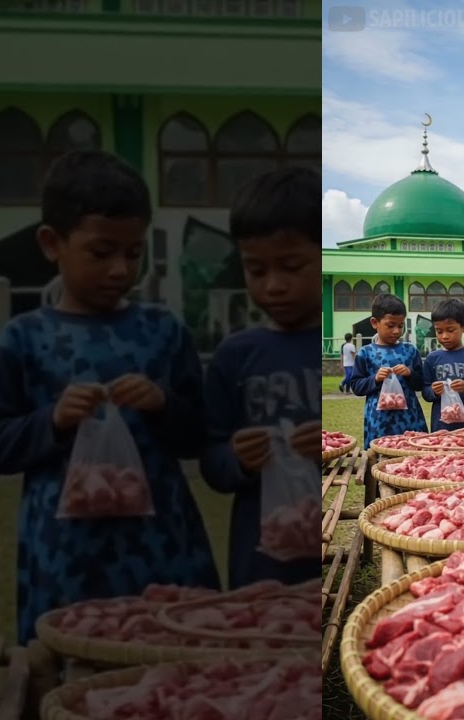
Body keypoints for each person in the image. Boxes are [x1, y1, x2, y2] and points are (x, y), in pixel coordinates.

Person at [0, 150, 220, 644]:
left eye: (133, 253)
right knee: (66, 656)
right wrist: (52, 420)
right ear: (52, 243)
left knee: (175, 653)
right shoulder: (24, 339)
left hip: (160, 542)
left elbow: (199, 433)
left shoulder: (163, 333)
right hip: (65, 550)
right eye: (101, 252)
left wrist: (162, 404)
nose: (119, 270)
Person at [198, 167, 321, 590]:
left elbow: (351, 454)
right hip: (264, 559)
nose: (274, 286)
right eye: (256, 270)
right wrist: (237, 459)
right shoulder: (236, 356)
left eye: (291, 267)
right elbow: (211, 461)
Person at [349, 294, 427, 446]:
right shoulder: (365, 353)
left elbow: (421, 383)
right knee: (378, 456)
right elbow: (356, 386)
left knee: (411, 456)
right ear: (374, 323)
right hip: (379, 421)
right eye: (390, 326)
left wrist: (410, 373)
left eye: (400, 326)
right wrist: (375, 379)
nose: (397, 331)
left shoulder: (410, 351)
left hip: (409, 419)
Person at [421, 298, 464, 432]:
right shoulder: (432, 358)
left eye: (450, 330)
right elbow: (425, 391)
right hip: (441, 426)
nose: (445, 336)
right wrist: (433, 391)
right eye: (439, 331)